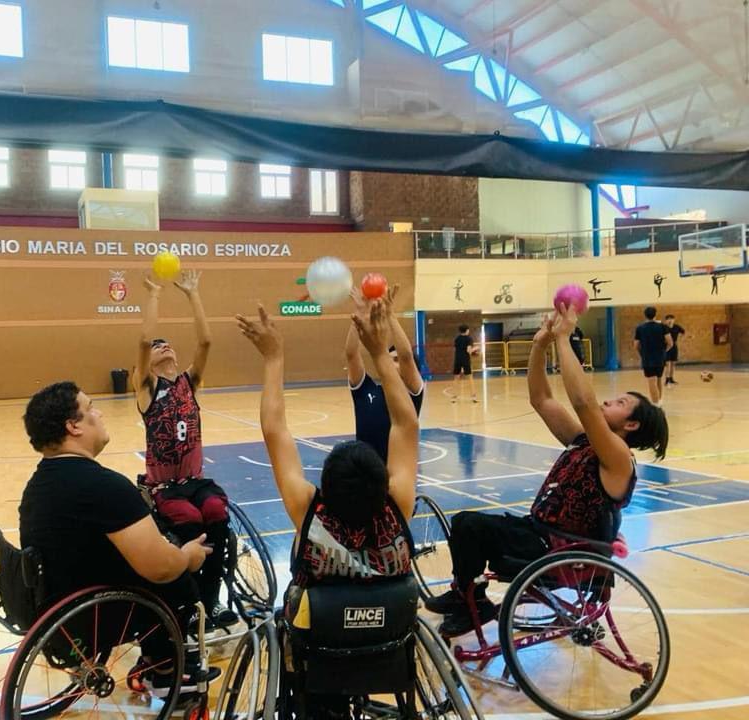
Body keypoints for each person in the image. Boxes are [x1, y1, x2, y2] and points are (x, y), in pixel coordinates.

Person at [425, 308, 668, 637]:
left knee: (469, 525)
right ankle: (466, 595)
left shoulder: (619, 457)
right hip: (540, 536)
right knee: (468, 525)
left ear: (632, 424)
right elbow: (541, 399)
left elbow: (583, 401)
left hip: (563, 553)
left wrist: (564, 338)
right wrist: (540, 345)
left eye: (620, 403)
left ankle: (472, 605)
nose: (608, 402)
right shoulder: (584, 441)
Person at [237, 300, 419, 719]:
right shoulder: (399, 507)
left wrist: (274, 357)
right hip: (387, 644)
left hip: (319, 650)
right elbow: (407, 425)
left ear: (326, 487)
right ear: (384, 484)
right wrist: (380, 354)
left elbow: (274, 428)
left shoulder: (309, 510)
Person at [19, 381, 219, 696]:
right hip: (88, 621)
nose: (99, 413)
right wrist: (188, 557)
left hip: (53, 609)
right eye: (90, 408)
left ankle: (157, 657)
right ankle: (164, 672)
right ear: (73, 426)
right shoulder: (102, 486)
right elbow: (161, 568)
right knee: (179, 578)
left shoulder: (39, 484)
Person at [134, 269, 235, 629]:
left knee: (216, 512)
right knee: (190, 520)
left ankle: (212, 599)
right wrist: (155, 294)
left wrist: (193, 293)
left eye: (168, 344)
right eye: (159, 347)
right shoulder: (147, 388)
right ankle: (191, 603)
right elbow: (144, 340)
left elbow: (206, 341)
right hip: (165, 487)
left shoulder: (189, 383)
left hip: (195, 479)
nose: (165, 346)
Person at [346, 284, 424, 464]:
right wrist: (358, 315)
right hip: (365, 473)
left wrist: (389, 315)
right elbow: (351, 355)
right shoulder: (366, 390)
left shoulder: (412, 394)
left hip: (397, 475)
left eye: (394, 360)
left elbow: (406, 356)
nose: (391, 363)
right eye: (389, 359)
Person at [633, 306, 673, 406]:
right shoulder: (662, 327)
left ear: (645, 315)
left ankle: (656, 405)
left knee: (652, 381)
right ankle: (659, 401)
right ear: (655, 315)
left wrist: (642, 353)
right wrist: (664, 351)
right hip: (660, 358)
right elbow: (670, 343)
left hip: (647, 358)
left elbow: (636, 345)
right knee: (659, 379)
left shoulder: (640, 328)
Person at [448, 325, 478, 403]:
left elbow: (456, 349)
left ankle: (453, 398)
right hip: (465, 360)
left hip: (457, 359)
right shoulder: (469, 339)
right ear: (467, 330)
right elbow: (469, 351)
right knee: (470, 378)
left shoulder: (457, 339)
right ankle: (473, 397)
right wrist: (476, 348)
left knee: (456, 378)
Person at [664, 314, 685, 385]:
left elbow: (683, 332)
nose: (670, 320)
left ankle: (671, 378)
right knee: (667, 364)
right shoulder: (664, 327)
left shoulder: (677, 327)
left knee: (673, 364)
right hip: (666, 347)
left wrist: (681, 338)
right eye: (668, 319)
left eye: (672, 319)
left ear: (674, 320)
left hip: (674, 347)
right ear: (666, 320)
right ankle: (666, 379)